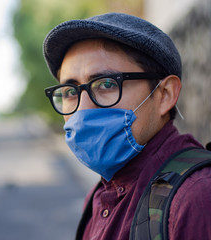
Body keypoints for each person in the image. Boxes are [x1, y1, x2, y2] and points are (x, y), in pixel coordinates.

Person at [43, 12, 211, 240]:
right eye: (71, 92)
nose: (82, 109)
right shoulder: (99, 195)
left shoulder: (195, 196)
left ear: (165, 95)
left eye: (106, 84)